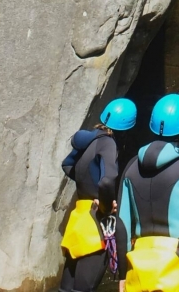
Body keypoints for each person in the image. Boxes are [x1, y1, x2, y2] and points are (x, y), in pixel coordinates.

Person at [118, 94, 179, 292]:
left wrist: (122, 276)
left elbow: (122, 225)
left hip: (138, 271)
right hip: (177, 267)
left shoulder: (130, 166)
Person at [59, 97, 137, 292]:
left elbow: (67, 165)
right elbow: (107, 180)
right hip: (95, 224)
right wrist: (106, 206)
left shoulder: (89, 140)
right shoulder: (108, 144)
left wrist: (86, 186)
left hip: (78, 219)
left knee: (66, 289)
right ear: (126, 128)